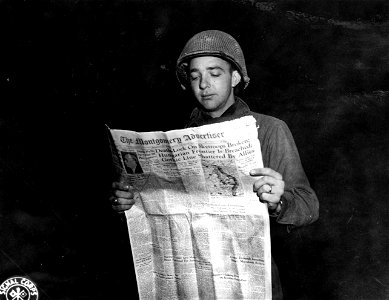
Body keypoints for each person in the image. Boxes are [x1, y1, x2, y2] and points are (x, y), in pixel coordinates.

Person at [110, 30, 319, 299]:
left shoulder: (269, 129)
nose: (204, 84)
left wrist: (279, 203)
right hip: (190, 285)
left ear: (234, 77)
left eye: (214, 73)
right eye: (195, 76)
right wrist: (129, 202)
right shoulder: (176, 139)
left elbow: (308, 206)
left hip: (249, 284)